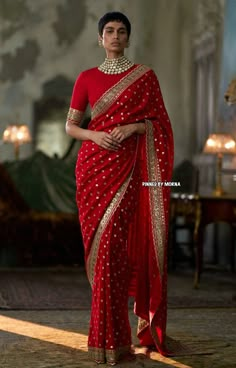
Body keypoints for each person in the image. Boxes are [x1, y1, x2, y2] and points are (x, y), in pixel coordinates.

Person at [66, 11, 174, 366]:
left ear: (128, 38)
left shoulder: (145, 77)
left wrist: (134, 128)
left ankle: (110, 337)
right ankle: (110, 338)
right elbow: (71, 127)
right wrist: (94, 133)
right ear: (100, 39)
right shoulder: (86, 78)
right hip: (93, 169)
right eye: (109, 31)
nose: (115, 36)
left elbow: (160, 125)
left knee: (115, 247)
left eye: (121, 31)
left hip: (128, 170)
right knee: (102, 255)